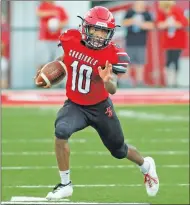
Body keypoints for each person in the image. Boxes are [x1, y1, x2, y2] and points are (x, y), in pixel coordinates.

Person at [35, 6, 159, 200]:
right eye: (96, 29)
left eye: (104, 31)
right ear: (86, 27)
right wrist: (52, 71)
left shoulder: (112, 55)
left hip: (101, 107)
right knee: (61, 132)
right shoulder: (71, 38)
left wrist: (108, 79)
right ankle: (65, 184)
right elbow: (66, 58)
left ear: (110, 33)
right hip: (75, 105)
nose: (99, 35)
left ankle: (146, 165)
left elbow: (113, 89)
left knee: (119, 150)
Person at [157, 1, 188, 87]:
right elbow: (159, 25)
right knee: (168, 60)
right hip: (168, 41)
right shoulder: (161, 13)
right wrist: (168, 23)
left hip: (178, 41)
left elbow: (183, 23)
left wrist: (172, 23)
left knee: (176, 60)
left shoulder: (177, 10)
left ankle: (175, 81)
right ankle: (168, 81)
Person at [122, 1, 154, 87]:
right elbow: (124, 22)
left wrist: (140, 23)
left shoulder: (146, 14)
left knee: (140, 63)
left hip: (141, 43)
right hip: (130, 42)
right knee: (128, 63)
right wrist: (133, 20)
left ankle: (139, 82)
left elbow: (151, 25)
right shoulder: (130, 12)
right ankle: (126, 81)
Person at [36, 0, 68, 72]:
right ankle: (40, 79)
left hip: (57, 40)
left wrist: (58, 26)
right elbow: (39, 13)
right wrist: (52, 12)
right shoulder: (43, 5)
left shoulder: (60, 8)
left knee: (58, 62)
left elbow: (66, 20)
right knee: (42, 62)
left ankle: (56, 81)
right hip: (44, 39)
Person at [1, 14, 10, 89]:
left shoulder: (3, 26)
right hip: (4, 57)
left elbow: (3, 44)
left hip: (4, 57)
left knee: (3, 78)